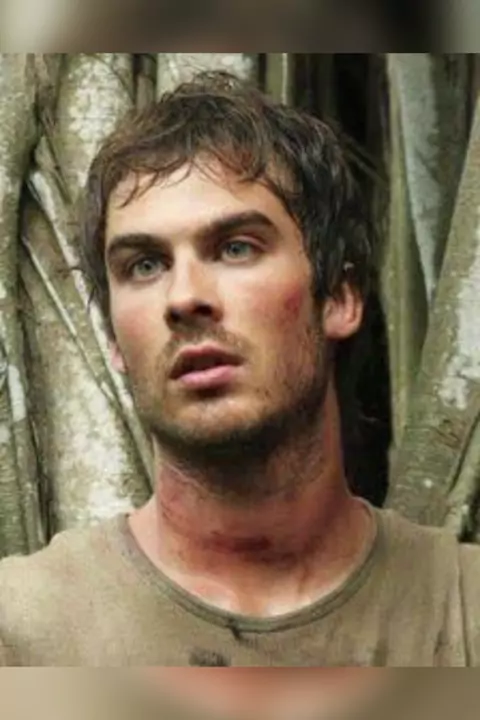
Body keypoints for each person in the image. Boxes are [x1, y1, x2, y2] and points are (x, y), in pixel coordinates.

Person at [0, 71, 479, 668]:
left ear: (338, 297)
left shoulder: (463, 613)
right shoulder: (24, 631)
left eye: (235, 248)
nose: (184, 298)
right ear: (114, 338)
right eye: (145, 265)